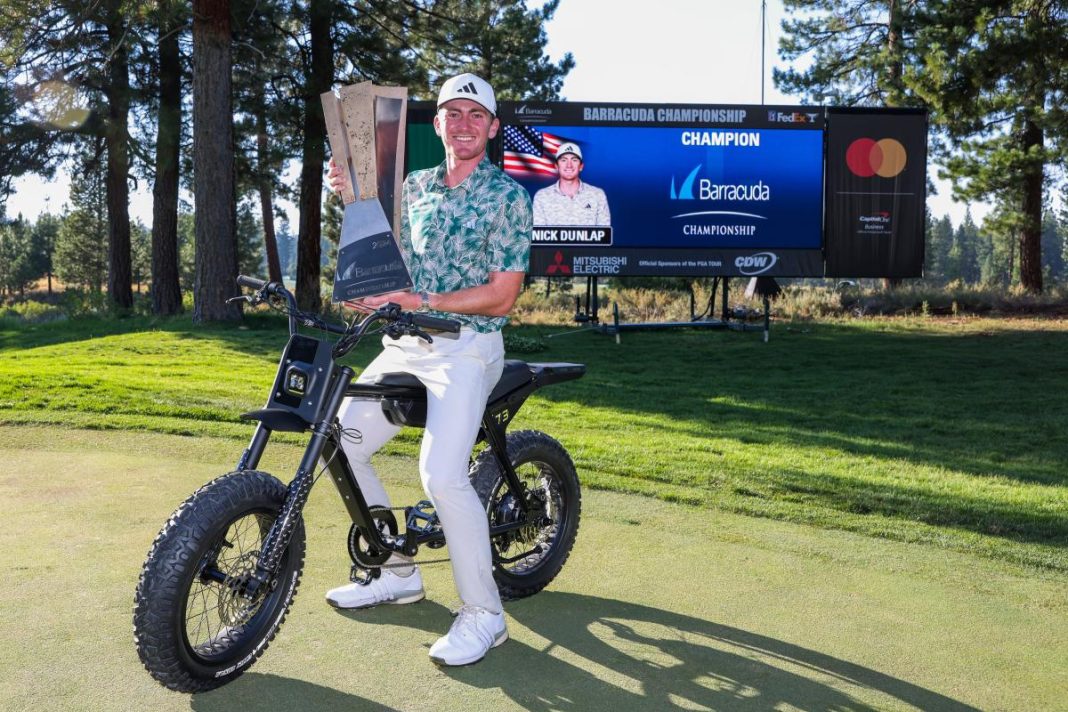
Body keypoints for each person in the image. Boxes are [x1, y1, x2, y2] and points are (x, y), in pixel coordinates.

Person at [323, 73, 532, 667]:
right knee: (345, 441)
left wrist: (424, 304)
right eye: (452, 113)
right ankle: (397, 571)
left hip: (469, 347)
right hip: (410, 341)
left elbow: (501, 296)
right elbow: (384, 256)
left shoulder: (508, 198)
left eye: (475, 114)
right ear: (436, 124)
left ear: (491, 128)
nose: (463, 123)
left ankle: (485, 615)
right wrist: (353, 196)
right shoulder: (413, 187)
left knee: (442, 475)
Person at [532, 142, 611, 226]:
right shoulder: (542, 197)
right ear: (556, 166)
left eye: (574, 160)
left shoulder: (597, 195)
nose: (569, 165)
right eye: (563, 160)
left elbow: (604, 235)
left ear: (581, 166)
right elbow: (538, 236)